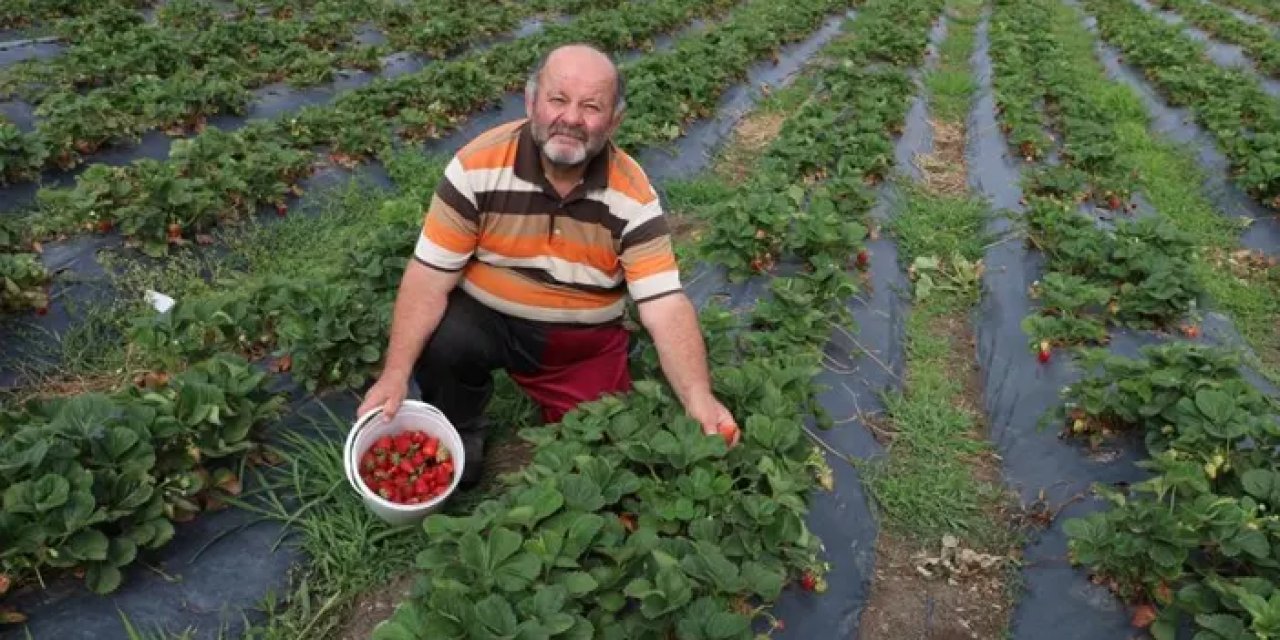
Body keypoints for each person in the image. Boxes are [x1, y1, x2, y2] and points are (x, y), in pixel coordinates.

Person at [357, 43, 738, 488]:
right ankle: (461, 427)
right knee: (446, 336)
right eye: (558, 99)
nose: (572, 118)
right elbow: (427, 275)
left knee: (602, 453)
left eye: (591, 106)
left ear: (614, 120)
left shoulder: (632, 196)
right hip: (488, 319)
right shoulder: (476, 167)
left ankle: (572, 401)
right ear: (531, 102)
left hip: (579, 341)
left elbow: (665, 304)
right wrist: (394, 373)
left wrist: (699, 397)